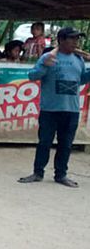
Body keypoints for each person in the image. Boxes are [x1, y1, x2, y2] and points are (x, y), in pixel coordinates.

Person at [19, 27, 90, 188]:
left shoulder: (78, 59)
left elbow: (81, 80)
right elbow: (32, 76)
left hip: (71, 110)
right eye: (72, 39)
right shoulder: (48, 57)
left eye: (77, 39)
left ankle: (61, 175)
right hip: (50, 109)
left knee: (66, 144)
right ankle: (38, 172)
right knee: (45, 142)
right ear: (62, 40)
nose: (75, 42)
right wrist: (44, 65)